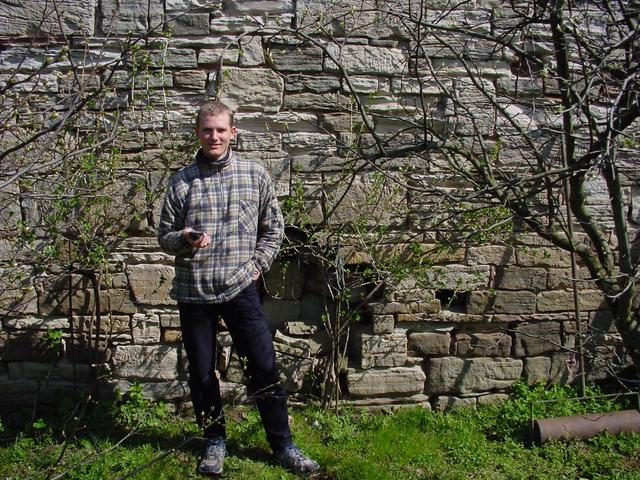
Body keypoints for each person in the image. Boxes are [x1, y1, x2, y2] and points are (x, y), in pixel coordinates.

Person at [158, 100, 319, 476]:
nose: (213, 136)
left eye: (220, 129)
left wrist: (255, 268)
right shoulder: (181, 181)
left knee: (263, 366)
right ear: (197, 133)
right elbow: (164, 236)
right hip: (194, 291)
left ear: (233, 132)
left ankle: (283, 445)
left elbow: (273, 230)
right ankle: (214, 442)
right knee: (201, 372)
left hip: (240, 289)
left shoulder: (255, 174)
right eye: (206, 130)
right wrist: (184, 238)